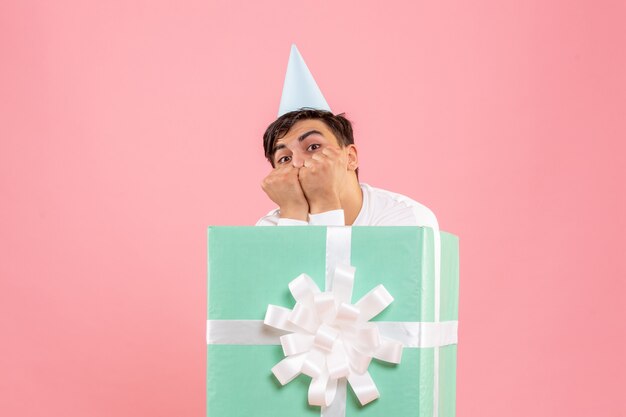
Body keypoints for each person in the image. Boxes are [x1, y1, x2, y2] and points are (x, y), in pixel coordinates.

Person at [255, 108, 438, 229]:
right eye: (285, 158)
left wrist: (325, 201)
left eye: (313, 147)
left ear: (350, 158)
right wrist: (293, 212)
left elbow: (332, 287)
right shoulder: (272, 227)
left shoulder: (406, 218)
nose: (297, 163)